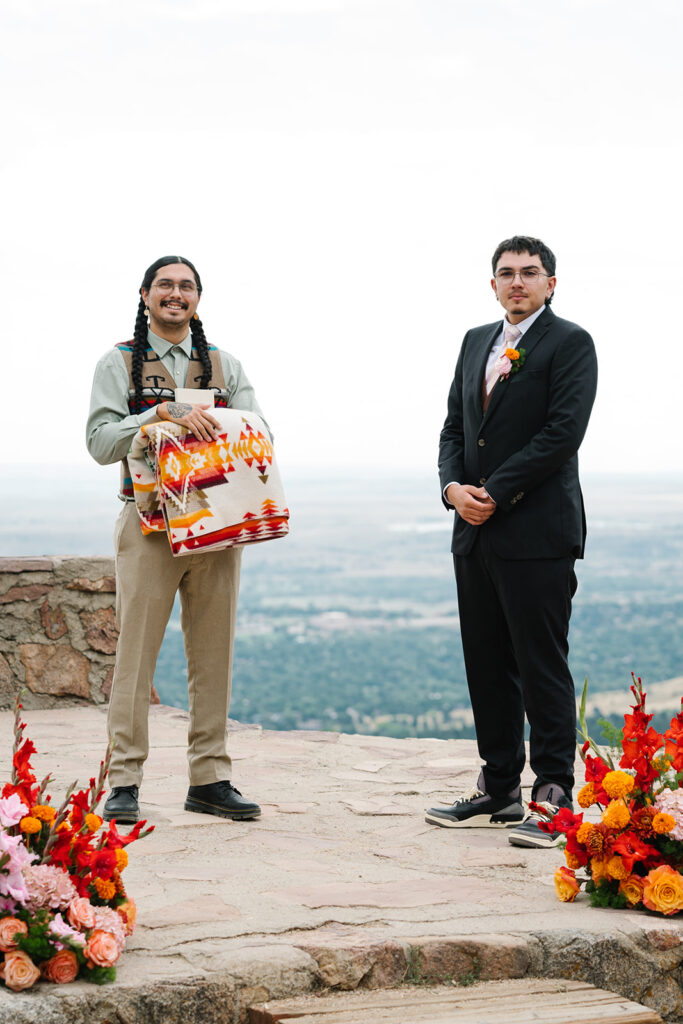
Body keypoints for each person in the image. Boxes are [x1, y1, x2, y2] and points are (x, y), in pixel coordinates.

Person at [426, 236, 598, 848]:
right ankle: (498, 783)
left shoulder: (570, 343)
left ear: (552, 283)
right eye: (507, 273)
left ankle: (553, 792)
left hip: (536, 532)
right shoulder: (476, 342)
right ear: (492, 284)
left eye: (530, 273)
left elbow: (561, 435)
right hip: (472, 531)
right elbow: (453, 427)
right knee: (486, 662)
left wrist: (494, 492)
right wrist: (452, 489)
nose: (517, 282)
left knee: (540, 663)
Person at [87, 255, 267, 825]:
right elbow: (98, 441)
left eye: (186, 286)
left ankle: (210, 778)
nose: (175, 293)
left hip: (217, 523)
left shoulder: (223, 364)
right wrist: (156, 416)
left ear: (197, 298)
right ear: (145, 295)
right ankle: (124, 781)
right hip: (148, 526)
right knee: (135, 657)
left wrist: (212, 421)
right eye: (165, 285)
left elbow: (260, 431)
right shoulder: (119, 363)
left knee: (213, 654)